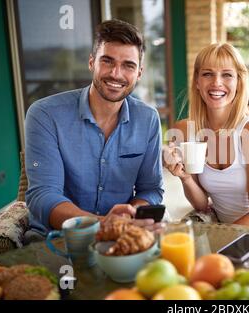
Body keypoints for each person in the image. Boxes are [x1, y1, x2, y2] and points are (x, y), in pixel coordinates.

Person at [25, 19, 164, 237]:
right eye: (107, 61)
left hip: (120, 237)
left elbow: (151, 189)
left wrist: (129, 216)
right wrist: (102, 225)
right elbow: (43, 195)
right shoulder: (45, 114)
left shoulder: (148, 119)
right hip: (56, 240)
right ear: (92, 63)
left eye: (128, 65)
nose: (116, 74)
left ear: (139, 73)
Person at [163, 43, 249, 233]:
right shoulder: (184, 131)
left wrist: (218, 241)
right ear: (196, 81)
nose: (216, 82)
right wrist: (185, 178)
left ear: (239, 82)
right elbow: (202, 205)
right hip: (231, 232)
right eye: (207, 74)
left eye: (227, 74)